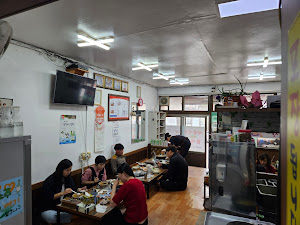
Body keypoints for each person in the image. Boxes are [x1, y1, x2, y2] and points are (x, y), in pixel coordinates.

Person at [41, 159, 76, 224]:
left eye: (70, 170)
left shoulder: (68, 177)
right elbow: (49, 198)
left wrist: (79, 190)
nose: (69, 172)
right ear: (61, 170)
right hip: (50, 208)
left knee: (75, 212)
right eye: (67, 170)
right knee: (54, 217)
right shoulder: (50, 180)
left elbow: (73, 190)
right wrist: (63, 193)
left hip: (63, 207)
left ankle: (69, 217)